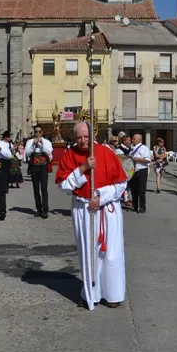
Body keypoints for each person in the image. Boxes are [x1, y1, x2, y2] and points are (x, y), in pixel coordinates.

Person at [56, 122, 127, 310]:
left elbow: (121, 184)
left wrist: (101, 196)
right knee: (88, 253)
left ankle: (113, 294)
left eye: (86, 136)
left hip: (107, 210)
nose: (82, 141)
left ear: (92, 134)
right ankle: (91, 294)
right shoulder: (70, 155)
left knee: (110, 254)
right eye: (79, 137)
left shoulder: (105, 152)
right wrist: (82, 168)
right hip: (83, 209)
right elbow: (64, 185)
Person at [25, 125, 53, 218]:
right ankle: (39, 209)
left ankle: (45, 210)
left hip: (43, 167)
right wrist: (33, 144)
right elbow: (27, 153)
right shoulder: (29, 142)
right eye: (36, 131)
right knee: (36, 189)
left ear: (42, 132)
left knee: (44, 189)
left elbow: (49, 152)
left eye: (39, 131)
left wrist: (42, 144)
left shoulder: (47, 142)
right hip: (34, 166)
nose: (38, 133)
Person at [128, 133, 151, 213]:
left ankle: (142, 207)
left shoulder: (144, 148)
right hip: (133, 171)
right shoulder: (132, 148)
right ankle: (134, 206)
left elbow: (148, 160)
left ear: (139, 140)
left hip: (141, 171)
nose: (132, 140)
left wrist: (137, 159)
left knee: (141, 190)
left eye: (134, 138)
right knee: (134, 190)